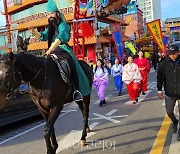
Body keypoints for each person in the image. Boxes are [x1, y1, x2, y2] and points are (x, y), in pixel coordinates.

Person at [29, 0, 90, 101]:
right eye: (48, 14)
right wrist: (34, 32)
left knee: (72, 65)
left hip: (62, 50)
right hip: (51, 52)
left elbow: (61, 37)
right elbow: (43, 36)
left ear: (57, 13)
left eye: (52, 13)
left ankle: (76, 90)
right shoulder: (51, 27)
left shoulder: (63, 25)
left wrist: (50, 49)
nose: (50, 16)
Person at [157, 44, 180, 141]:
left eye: (173, 53)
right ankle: (175, 121)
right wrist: (159, 90)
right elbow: (159, 77)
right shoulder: (164, 63)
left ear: (178, 52)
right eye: (170, 54)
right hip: (169, 92)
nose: (171, 55)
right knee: (169, 111)